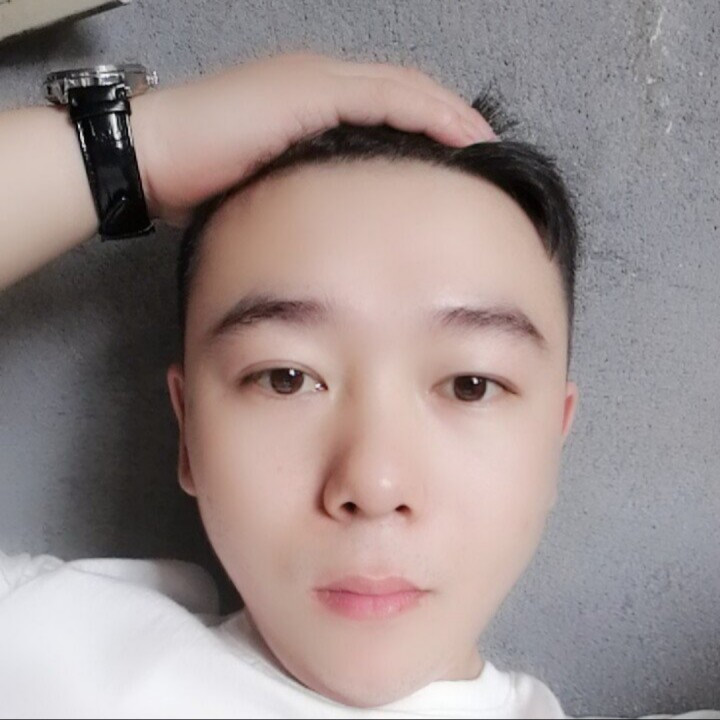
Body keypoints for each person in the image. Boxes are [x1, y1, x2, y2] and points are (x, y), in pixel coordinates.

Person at [0, 52, 715, 719]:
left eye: (470, 385)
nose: (373, 485)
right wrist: (137, 149)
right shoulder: (60, 652)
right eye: (286, 379)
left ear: (553, 441)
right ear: (188, 432)